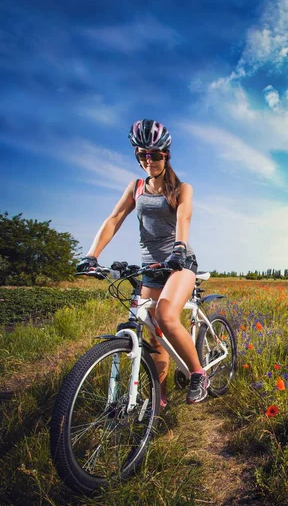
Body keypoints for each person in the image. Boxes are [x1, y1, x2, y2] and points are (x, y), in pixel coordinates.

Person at [76, 119, 209, 406]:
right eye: (143, 155)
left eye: (156, 154)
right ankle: (157, 402)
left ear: (166, 156)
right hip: (150, 268)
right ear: (138, 156)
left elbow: (183, 218)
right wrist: (92, 255)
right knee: (155, 336)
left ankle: (198, 373)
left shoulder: (182, 188)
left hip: (180, 262)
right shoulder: (136, 187)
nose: (150, 160)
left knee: (166, 315)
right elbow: (114, 219)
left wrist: (179, 249)